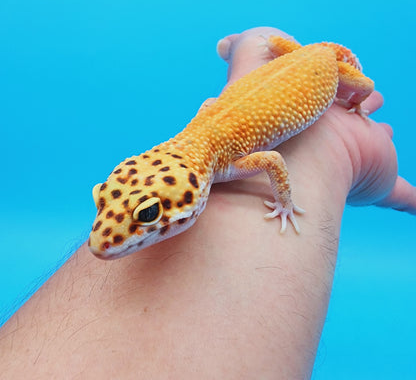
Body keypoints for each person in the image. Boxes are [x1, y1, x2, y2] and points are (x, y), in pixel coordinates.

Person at [0, 27, 414, 379]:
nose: (101, 242)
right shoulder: (204, 150)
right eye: (106, 202)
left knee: (365, 88)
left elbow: (270, 158)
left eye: (147, 215)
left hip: (324, 66)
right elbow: (210, 108)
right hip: (299, 62)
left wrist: (285, 201)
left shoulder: (228, 164)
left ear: (197, 187)